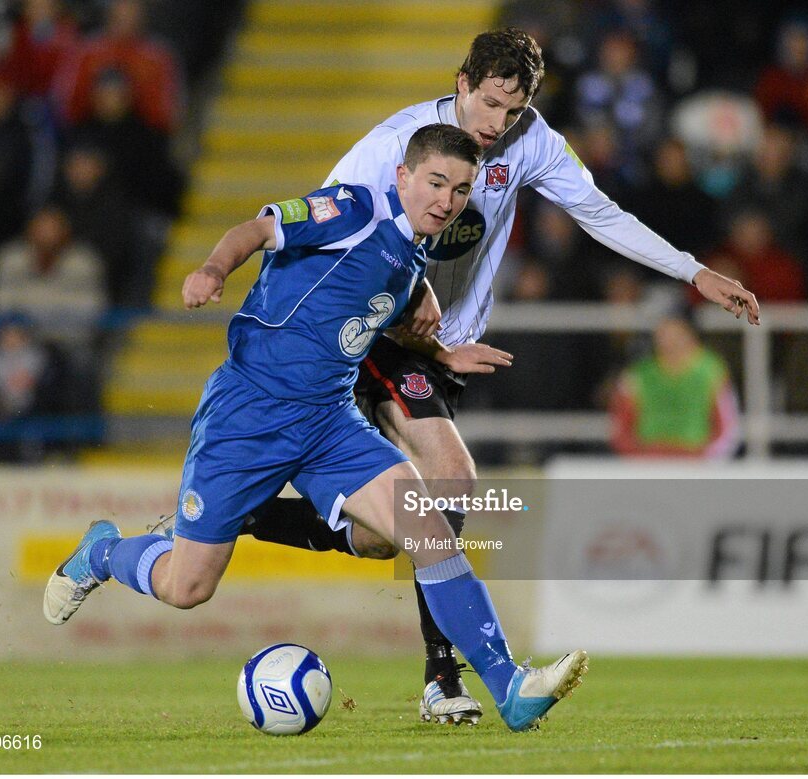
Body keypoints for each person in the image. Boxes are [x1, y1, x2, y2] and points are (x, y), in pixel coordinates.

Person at [201, 28, 760, 725]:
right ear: (463, 83)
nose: (498, 124)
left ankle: (246, 514)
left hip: (442, 345)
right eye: (491, 103)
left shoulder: (530, 143)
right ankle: (445, 677)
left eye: (514, 110)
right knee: (453, 476)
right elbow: (316, 237)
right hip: (376, 335)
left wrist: (694, 270)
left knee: (386, 534)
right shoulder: (394, 146)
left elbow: (599, 213)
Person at [42, 124, 587, 732]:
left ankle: (508, 684)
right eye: (436, 183)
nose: (447, 200)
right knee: (186, 586)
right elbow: (256, 228)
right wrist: (213, 269)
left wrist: (443, 355)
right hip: (249, 415)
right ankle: (104, 553)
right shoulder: (352, 208)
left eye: (460, 191)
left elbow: (371, 322)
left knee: (423, 531)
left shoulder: (412, 256)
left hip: (330, 421)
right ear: (403, 176)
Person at [609, 316, 740, 459]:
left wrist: (706, 459)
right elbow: (619, 427)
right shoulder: (637, 375)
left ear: (691, 336)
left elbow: (728, 427)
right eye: (663, 335)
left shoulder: (712, 371)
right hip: (648, 459)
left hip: (696, 460)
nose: (669, 342)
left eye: (676, 335)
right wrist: (638, 457)